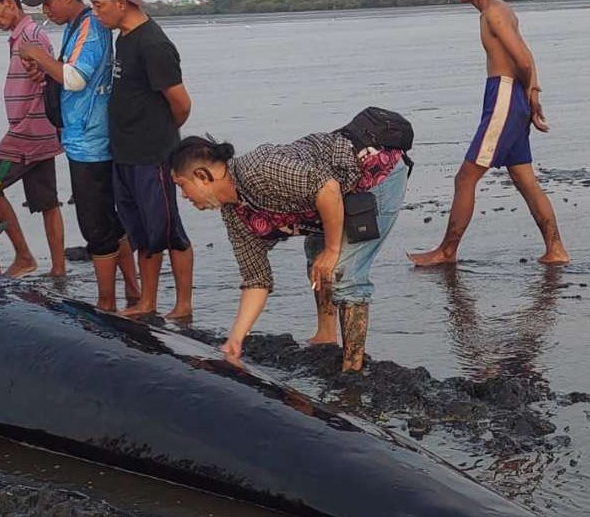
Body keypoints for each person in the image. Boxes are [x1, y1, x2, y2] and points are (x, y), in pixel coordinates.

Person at [170, 123, 410, 373]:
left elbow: (327, 189)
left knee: (344, 271)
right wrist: (235, 339)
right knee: (316, 255)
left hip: (375, 174)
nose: (184, 196)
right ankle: (326, 337)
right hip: (336, 195)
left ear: (201, 176)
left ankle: (352, 370)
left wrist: (331, 250)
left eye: (181, 185)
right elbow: (256, 280)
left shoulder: (260, 170)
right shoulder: (234, 214)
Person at [408, 0, 570, 267]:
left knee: (465, 178)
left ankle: (447, 251)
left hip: (504, 97)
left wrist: (532, 94)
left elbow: (523, 60)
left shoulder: (494, 14)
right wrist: (531, 97)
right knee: (525, 179)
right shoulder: (500, 10)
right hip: (511, 97)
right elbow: (526, 57)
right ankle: (556, 250)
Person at [18, 0, 139, 311]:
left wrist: (39, 55)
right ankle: (131, 292)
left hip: (91, 141)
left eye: (47, 2)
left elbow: (75, 79)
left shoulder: (91, 26)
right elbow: (66, 75)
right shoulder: (77, 26)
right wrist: (44, 67)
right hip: (81, 137)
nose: (45, 10)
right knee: (110, 222)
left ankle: (106, 302)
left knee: (95, 226)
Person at [89, 0, 194, 319]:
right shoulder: (123, 37)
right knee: (142, 231)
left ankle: (183, 305)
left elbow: (181, 104)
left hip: (153, 154)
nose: (96, 12)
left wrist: (162, 135)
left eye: (100, 5)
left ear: (122, 3)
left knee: (168, 229)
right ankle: (147, 301)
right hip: (125, 153)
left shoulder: (154, 44)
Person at [0, 0, 66, 278]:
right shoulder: (24, 35)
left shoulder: (30, 36)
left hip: (27, 135)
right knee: (48, 202)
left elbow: (45, 75)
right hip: (40, 134)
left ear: (10, 3)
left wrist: (27, 120)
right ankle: (58, 268)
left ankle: (24, 256)